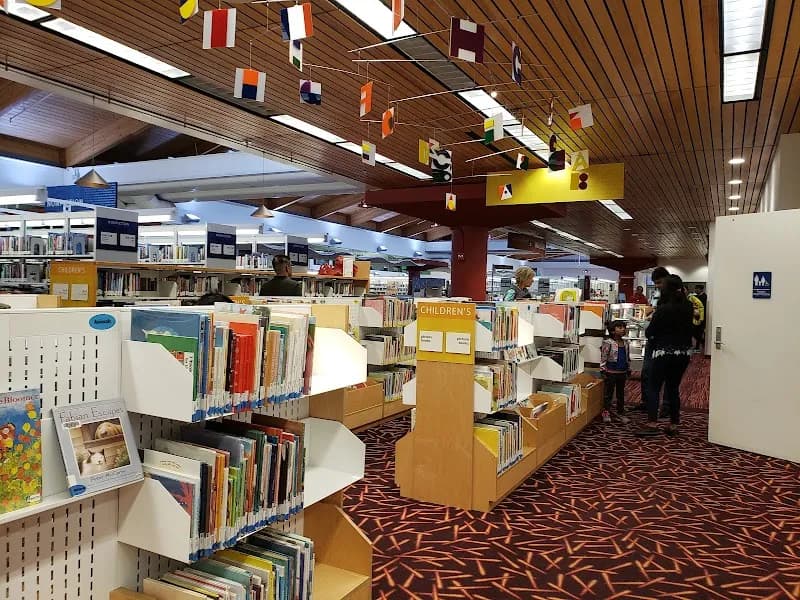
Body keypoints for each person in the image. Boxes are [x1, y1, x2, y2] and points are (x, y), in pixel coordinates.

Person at [636, 275, 694, 437]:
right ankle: (674, 424)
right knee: (673, 388)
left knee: (654, 387)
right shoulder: (688, 306)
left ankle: (652, 424)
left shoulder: (663, 309)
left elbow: (650, 332)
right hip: (683, 353)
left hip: (663, 352)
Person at [634, 267, 670, 412]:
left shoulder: (675, 298)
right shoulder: (657, 294)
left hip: (667, 342)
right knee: (647, 372)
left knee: (668, 375)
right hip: (653, 338)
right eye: (655, 283)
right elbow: (651, 310)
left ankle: (667, 406)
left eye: (659, 282)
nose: (657, 285)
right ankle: (646, 402)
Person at [600, 320, 631, 424]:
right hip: (611, 371)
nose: (623, 329)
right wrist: (603, 369)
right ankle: (606, 411)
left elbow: (627, 357)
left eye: (623, 327)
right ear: (613, 330)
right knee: (608, 393)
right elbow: (604, 356)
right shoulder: (608, 342)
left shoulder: (626, 343)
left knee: (621, 393)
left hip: (622, 372)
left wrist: (628, 368)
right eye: (620, 327)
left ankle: (620, 411)